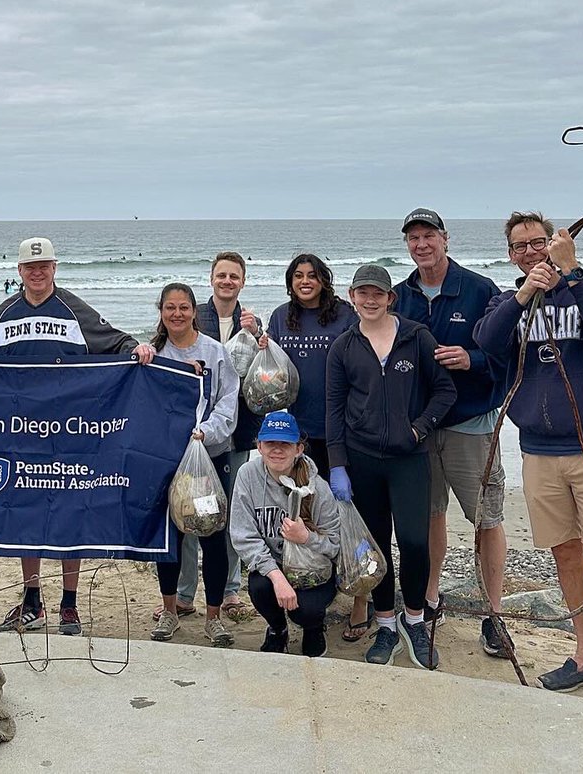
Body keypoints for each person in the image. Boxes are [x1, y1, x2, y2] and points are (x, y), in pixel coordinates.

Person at [473, 212, 583, 709]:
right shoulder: (507, 303)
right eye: (519, 246)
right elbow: (487, 342)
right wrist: (524, 294)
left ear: (554, 243)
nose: (530, 251)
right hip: (539, 450)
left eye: (538, 242)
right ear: (510, 255)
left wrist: (573, 274)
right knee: (565, 553)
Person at [0, 237, 156, 635]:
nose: (37, 272)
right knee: (26, 516)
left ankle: (69, 603)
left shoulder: (74, 309)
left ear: (55, 268)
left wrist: (139, 348)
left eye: (44, 265)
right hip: (21, 435)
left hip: (70, 435)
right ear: (19, 271)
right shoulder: (4, 314)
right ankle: (31, 600)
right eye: (30, 267)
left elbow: (116, 341)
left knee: (69, 516)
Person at [392, 208, 512, 658]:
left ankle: (494, 615)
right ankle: (429, 600)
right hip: (420, 430)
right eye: (413, 238)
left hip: (471, 427)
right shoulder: (399, 296)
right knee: (429, 517)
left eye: (429, 236)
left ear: (445, 239)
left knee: (486, 521)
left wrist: (472, 359)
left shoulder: (480, 290)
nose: (421, 244)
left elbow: (509, 352)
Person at [326, 264, 456, 670]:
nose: (370, 300)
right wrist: (337, 464)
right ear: (352, 296)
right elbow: (333, 409)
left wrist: (418, 429)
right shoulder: (343, 347)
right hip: (362, 460)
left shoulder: (416, 338)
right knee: (376, 547)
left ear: (390, 298)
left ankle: (413, 620)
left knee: (415, 542)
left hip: (409, 459)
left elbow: (445, 391)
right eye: (363, 293)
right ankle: (385, 624)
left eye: (378, 293)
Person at [170, 251, 262, 620]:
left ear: (243, 281)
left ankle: (230, 590)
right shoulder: (195, 316)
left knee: (228, 512)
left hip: (236, 434)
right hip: (189, 437)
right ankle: (184, 592)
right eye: (221, 275)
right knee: (189, 511)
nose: (227, 281)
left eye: (234, 276)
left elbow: (262, 377)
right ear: (212, 279)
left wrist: (259, 337)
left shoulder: (251, 323)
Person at [148, 283, 239, 647]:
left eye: (183, 307)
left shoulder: (214, 352)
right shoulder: (154, 353)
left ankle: (213, 617)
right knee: (170, 537)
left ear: (194, 311)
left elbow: (228, 402)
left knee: (211, 533)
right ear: (161, 312)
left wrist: (206, 432)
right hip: (167, 462)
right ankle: (170, 610)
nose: (177, 314)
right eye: (170, 308)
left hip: (208, 460)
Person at [230, 411, 342, 657]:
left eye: (285, 444)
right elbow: (242, 535)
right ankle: (277, 629)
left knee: (306, 611)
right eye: (270, 443)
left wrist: (306, 538)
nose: (277, 450)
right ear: (259, 446)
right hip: (274, 564)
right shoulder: (247, 476)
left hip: (312, 568)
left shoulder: (318, 488)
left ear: (298, 449)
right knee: (260, 587)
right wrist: (277, 577)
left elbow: (335, 546)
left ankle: (313, 628)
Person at [263, 254, 357, 473]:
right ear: (290, 282)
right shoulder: (280, 316)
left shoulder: (344, 315)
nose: (305, 281)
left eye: (312, 276)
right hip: (298, 426)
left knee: (341, 492)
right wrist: (258, 340)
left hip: (340, 424)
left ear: (323, 280)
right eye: (298, 276)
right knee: (303, 490)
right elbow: (271, 368)